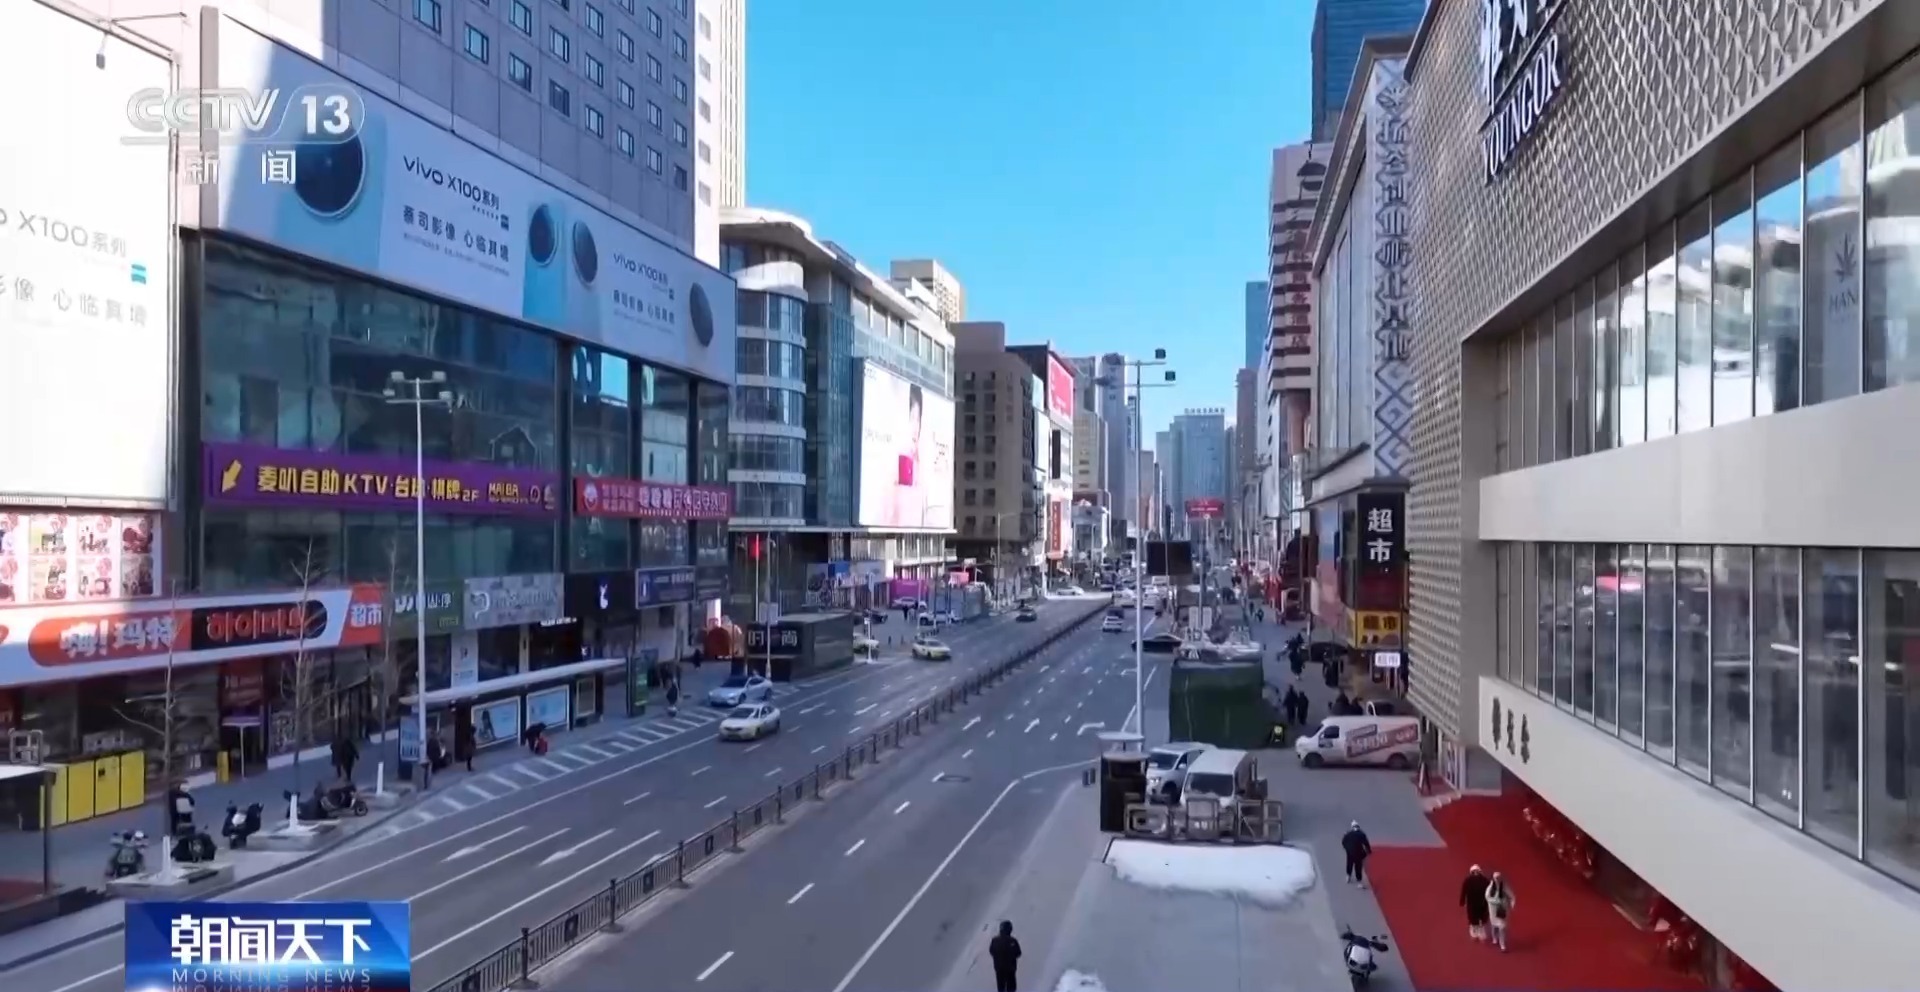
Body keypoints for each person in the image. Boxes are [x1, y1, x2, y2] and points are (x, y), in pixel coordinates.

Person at [1460, 864, 1492, 942]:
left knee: (1482, 917)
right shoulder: (1468, 880)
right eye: (1474, 871)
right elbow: (1464, 891)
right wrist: (1462, 901)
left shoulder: (1485, 880)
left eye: (1477, 871)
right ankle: (1474, 930)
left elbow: (1490, 891)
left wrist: (1490, 900)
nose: (1476, 873)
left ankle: (1481, 931)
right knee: (1472, 917)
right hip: (1472, 902)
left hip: (1482, 902)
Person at [987, 920, 1021, 992]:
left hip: (999, 969)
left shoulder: (994, 940)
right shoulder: (1013, 941)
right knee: (1011, 988)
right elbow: (1018, 953)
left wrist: (998, 958)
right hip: (1010, 969)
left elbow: (991, 951)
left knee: (1001, 988)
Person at [1485, 871, 1516, 951]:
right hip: (1493, 910)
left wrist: (1512, 904)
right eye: (1496, 878)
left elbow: (1512, 896)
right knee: (1494, 926)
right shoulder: (1490, 887)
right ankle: (1495, 938)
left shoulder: (1504, 886)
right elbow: (1487, 897)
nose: (1497, 879)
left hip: (1502, 910)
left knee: (1502, 927)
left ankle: (1502, 944)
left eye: (1499, 878)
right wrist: (1495, 901)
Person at [1341, 820, 1373, 887]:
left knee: (1349, 863)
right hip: (1358, 852)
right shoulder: (1362, 834)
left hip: (1350, 851)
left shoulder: (1348, 834)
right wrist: (1369, 851)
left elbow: (1343, 842)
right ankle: (1359, 881)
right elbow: (1366, 844)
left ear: (1352, 827)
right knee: (1358, 866)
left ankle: (1348, 876)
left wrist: (1347, 848)